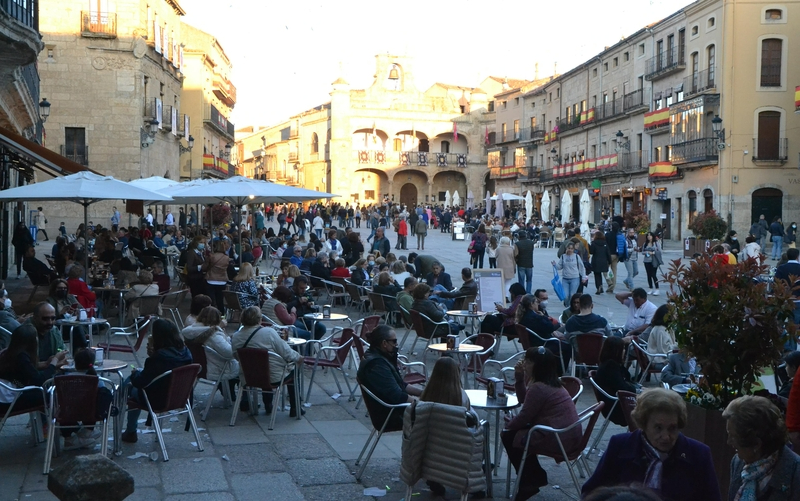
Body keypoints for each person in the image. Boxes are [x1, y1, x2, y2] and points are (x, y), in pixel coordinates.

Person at [582, 388, 721, 500]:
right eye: (658, 428)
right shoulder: (620, 446)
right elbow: (590, 492)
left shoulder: (699, 454)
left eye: (672, 428)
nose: (666, 437)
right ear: (644, 424)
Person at [502, 347, 580, 500]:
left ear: (539, 366)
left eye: (529, 362)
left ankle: (530, 481)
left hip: (559, 438)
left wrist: (509, 425)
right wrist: (519, 379)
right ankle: (533, 476)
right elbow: (525, 401)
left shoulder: (539, 387)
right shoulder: (551, 383)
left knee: (508, 436)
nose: (524, 364)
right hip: (567, 433)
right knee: (515, 434)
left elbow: (524, 416)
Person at [121, 319, 193, 443]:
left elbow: (140, 382)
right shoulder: (186, 353)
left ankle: (129, 429)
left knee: (129, 385)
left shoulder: (158, 358)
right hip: (180, 397)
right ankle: (128, 428)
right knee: (134, 379)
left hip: (157, 399)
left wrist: (135, 375)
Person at [231, 306, 304, 416]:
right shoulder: (269, 332)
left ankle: (268, 404)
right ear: (259, 319)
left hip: (248, 376)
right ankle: (295, 407)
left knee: (262, 366)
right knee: (293, 370)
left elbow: (237, 357)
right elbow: (287, 353)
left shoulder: (236, 336)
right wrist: (299, 358)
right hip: (273, 377)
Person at [724, 395, 800, 500]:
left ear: (756, 444)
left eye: (733, 437)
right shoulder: (738, 463)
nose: (729, 442)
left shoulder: (795, 473)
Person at [357, 325, 423, 429]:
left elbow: (400, 384)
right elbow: (397, 396)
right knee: (439, 418)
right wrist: (423, 405)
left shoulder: (377, 357)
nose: (397, 345)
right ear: (384, 343)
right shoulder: (377, 365)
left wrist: (422, 393)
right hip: (391, 415)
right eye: (394, 341)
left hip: (392, 409)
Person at [181, 306, 242, 404]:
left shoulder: (191, 331)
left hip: (200, 367)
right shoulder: (214, 335)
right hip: (216, 368)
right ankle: (244, 400)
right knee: (245, 366)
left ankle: (228, 392)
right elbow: (230, 353)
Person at [593, 336, 638, 426]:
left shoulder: (610, 364)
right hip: (618, 408)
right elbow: (623, 388)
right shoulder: (610, 366)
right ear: (616, 351)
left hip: (615, 404)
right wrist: (638, 390)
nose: (624, 351)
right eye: (623, 349)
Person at [552, 242, 586, 307]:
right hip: (565, 278)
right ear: (566, 248)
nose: (570, 250)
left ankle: (570, 308)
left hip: (575, 278)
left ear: (573, 249)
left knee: (572, 295)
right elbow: (559, 266)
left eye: (571, 248)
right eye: (568, 248)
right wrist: (554, 265)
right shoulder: (563, 256)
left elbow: (581, 267)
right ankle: (567, 305)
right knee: (565, 295)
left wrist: (583, 277)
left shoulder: (576, 256)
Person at [645, 305, 677, 369]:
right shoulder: (661, 330)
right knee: (683, 364)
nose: (676, 315)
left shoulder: (668, 328)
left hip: (662, 359)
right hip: (658, 361)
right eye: (674, 314)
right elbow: (665, 350)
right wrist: (679, 346)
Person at [202, 240, 230, 313]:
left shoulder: (212, 256)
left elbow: (204, 267)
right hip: (222, 280)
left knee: (211, 300)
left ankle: (211, 315)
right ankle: (221, 316)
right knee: (220, 300)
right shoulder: (227, 258)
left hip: (211, 279)